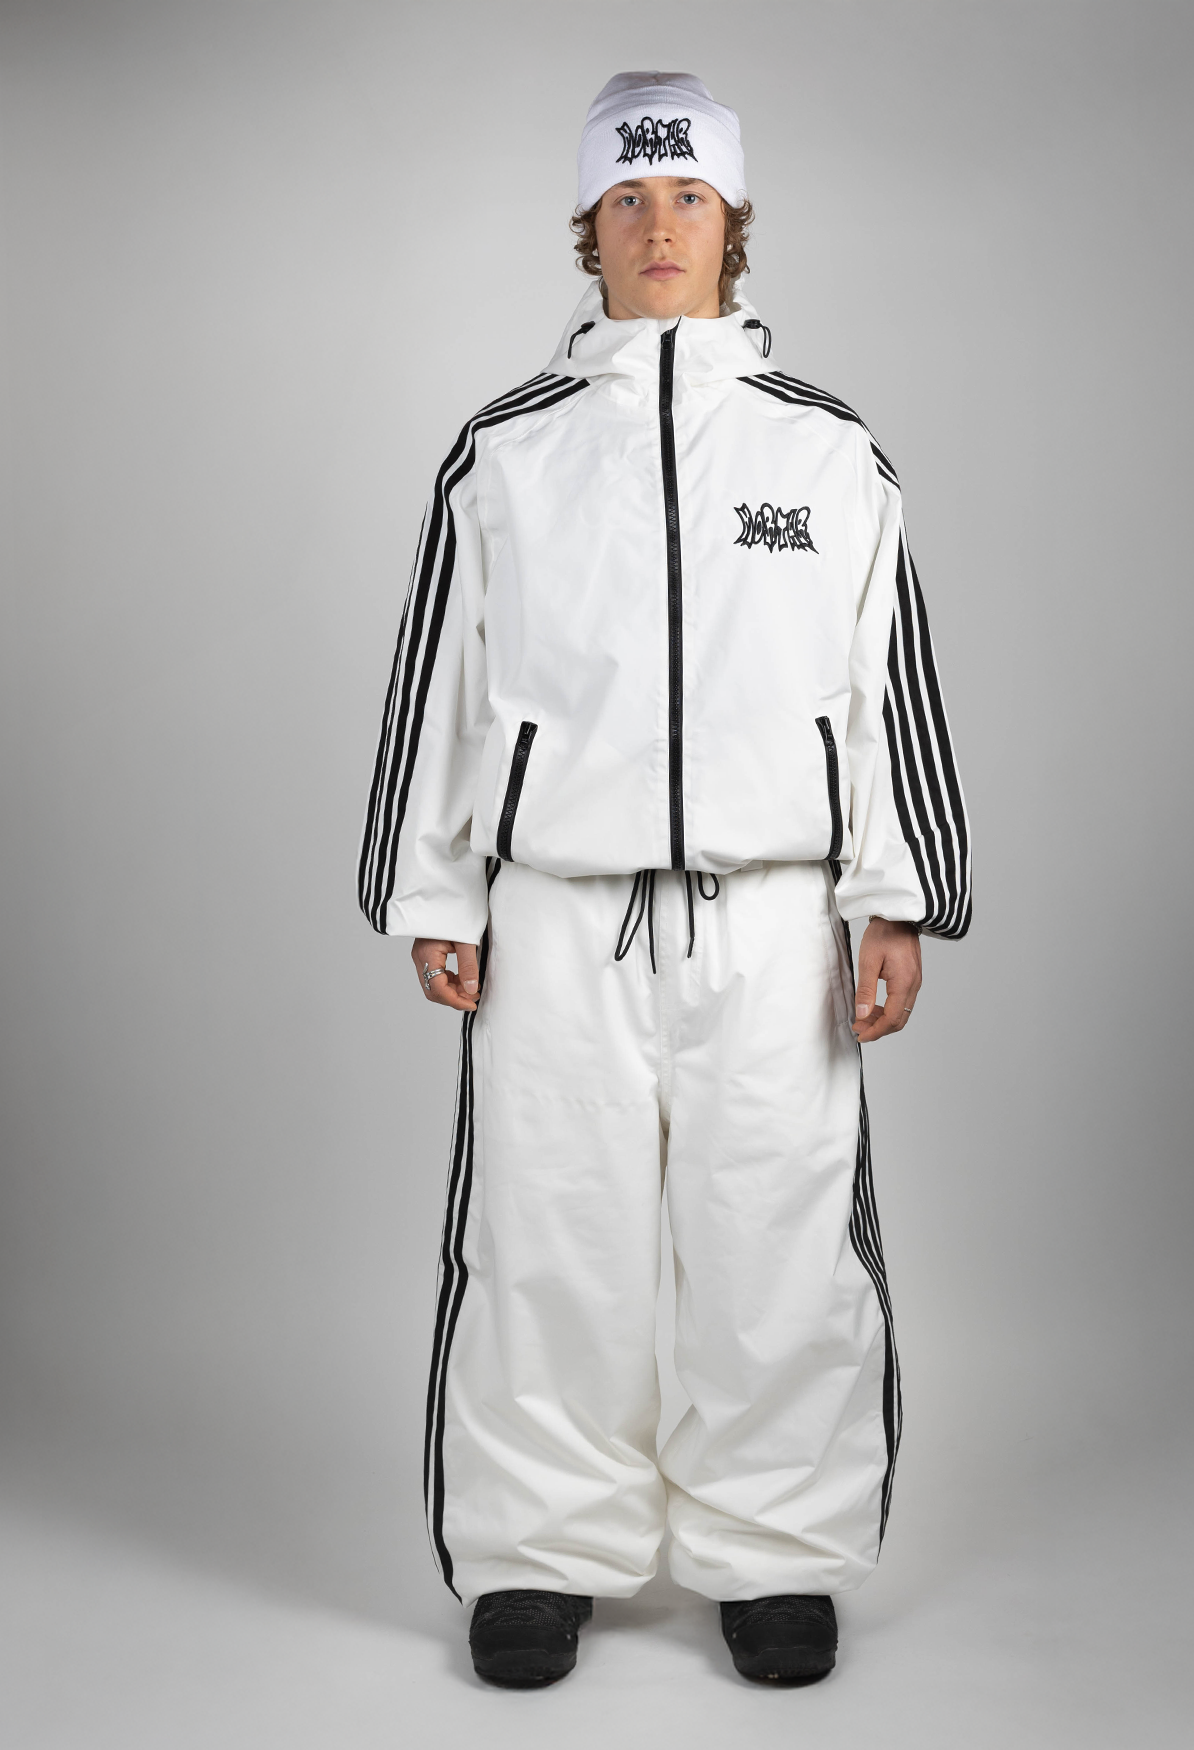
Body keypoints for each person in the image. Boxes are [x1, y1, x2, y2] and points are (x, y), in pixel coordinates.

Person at [358, 70, 970, 1689]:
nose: (658, 225)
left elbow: (884, 684)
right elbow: (442, 679)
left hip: (772, 917)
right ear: (589, 223)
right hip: (559, 915)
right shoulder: (509, 452)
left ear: (734, 217)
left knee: (776, 1229)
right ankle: (537, 1550)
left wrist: (894, 893)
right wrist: (435, 890)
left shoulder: (826, 452)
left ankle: (773, 1549)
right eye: (626, 197)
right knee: (548, 1231)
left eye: (687, 193)